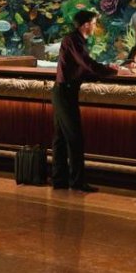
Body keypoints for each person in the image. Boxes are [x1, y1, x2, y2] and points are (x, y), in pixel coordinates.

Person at [52, 10, 119, 193]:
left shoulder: (75, 40)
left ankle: (59, 180)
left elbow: (82, 68)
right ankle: (77, 181)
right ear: (86, 24)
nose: (95, 26)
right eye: (94, 23)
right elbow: (86, 63)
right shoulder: (73, 40)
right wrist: (113, 71)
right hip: (65, 92)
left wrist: (106, 69)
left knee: (61, 137)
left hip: (64, 91)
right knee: (74, 138)